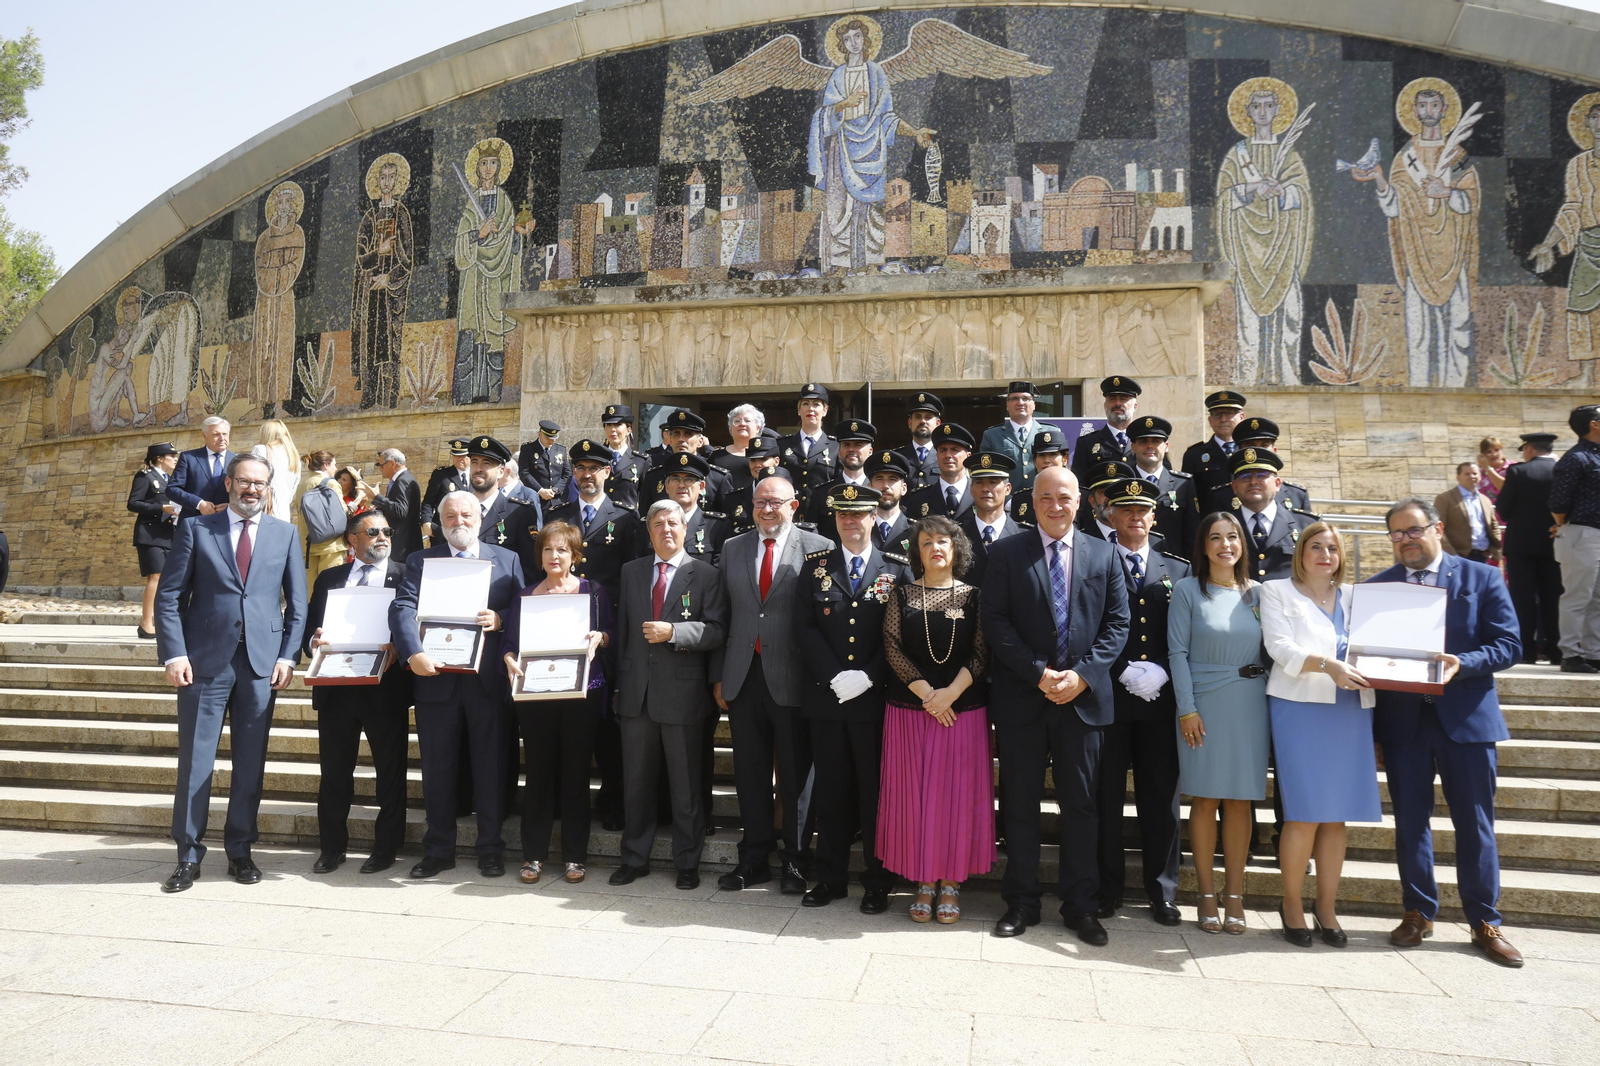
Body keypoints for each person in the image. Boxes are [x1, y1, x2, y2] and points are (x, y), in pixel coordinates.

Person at [1370, 497, 1524, 966]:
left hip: (1467, 722)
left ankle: (1484, 920)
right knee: (1410, 823)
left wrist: (1464, 663)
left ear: (1436, 528)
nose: (1406, 541)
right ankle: (1418, 911)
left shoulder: (1481, 577)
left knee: (1475, 826)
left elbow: (1510, 643)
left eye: (1413, 530)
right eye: (1396, 534)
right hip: (1404, 725)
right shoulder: (1378, 588)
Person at [983, 466, 1129, 944]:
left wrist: (1082, 675)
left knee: (1081, 806)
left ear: (1081, 500)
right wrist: (1038, 672)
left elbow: (1117, 625)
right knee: (1021, 803)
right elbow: (996, 621)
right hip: (1024, 698)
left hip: (1082, 702)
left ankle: (1081, 905)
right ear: (1032, 502)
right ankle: (1021, 902)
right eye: (1045, 496)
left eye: (1063, 496)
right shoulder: (1006, 553)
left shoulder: (1104, 555)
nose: (1055, 505)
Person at [153, 453, 306, 892]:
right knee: (196, 761)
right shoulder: (196, 529)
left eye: (260, 483)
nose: (252, 490)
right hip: (204, 663)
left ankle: (240, 850)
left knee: (250, 763)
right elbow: (169, 598)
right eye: (244, 481)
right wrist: (174, 654)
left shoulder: (285, 535)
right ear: (228, 483)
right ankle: (187, 855)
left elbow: (297, 605)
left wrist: (288, 656)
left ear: (268, 488)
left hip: (261, 665)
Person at [390, 490, 525, 879]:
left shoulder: (508, 558)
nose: (459, 522)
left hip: (488, 682)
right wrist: (412, 652)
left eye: (466, 515)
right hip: (436, 679)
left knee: (492, 768)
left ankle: (490, 848)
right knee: (438, 769)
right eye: (451, 517)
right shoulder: (421, 560)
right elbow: (402, 607)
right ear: (441, 522)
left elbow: (522, 607)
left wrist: (500, 620)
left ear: (479, 516)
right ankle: (438, 850)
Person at [1260, 522, 1381, 947]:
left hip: (1350, 711)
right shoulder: (1276, 590)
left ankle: (1327, 908)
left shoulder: (1356, 597)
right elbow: (1279, 647)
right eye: (1316, 547)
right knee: (1303, 813)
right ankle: (1291, 904)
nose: (1325, 554)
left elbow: (1380, 648)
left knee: (1335, 816)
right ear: (1301, 552)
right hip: (1299, 707)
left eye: (1332, 548)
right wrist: (1326, 664)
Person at [714, 475, 833, 892]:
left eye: (776, 503)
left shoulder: (820, 549)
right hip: (743, 678)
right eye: (760, 502)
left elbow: (826, 621)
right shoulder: (732, 548)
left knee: (797, 777)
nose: (767, 510)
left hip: (797, 681)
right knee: (749, 773)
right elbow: (721, 616)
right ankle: (753, 858)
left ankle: (796, 860)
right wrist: (719, 676)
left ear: (794, 506)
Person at [795, 484, 908, 911]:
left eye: (859, 515)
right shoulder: (816, 566)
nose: (850, 522)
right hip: (828, 700)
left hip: (875, 701)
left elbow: (902, 634)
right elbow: (803, 626)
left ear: (873, 519)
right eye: (843, 515)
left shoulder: (895, 569)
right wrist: (833, 675)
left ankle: (878, 880)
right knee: (832, 791)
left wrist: (867, 675)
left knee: (873, 792)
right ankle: (831, 878)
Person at [878, 515, 994, 923]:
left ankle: (950, 882)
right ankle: (924, 881)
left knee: (956, 799)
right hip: (912, 710)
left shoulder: (975, 596)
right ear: (917, 551)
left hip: (963, 711)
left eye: (943, 541)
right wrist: (928, 694)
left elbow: (982, 653)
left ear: (956, 548)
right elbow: (892, 648)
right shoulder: (901, 594)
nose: (935, 549)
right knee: (917, 797)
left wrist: (950, 694)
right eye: (926, 542)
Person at [610, 500, 729, 889]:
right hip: (636, 694)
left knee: (686, 786)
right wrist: (618, 687)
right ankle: (634, 858)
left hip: (682, 695)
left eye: (673, 523)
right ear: (648, 532)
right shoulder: (631, 572)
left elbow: (715, 631)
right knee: (637, 782)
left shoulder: (707, 574)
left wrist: (675, 632)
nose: (666, 529)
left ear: (685, 528)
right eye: (658, 523)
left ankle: (687, 862)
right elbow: (625, 634)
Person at [1168, 511, 1269, 934]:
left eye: (1233, 537)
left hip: (1250, 704)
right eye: (1216, 537)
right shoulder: (1189, 591)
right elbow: (1176, 653)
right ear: (1204, 546)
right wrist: (1186, 709)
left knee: (1241, 801)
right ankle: (1206, 894)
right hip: (1203, 706)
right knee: (1206, 799)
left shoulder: (1260, 594)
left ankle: (1235, 895)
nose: (1225, 544)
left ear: (1242, 544)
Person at [1097, 477, 1190, 926]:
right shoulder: (1095, 562)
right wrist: (1120, 671)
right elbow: (1087, 627)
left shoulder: (1180, 569)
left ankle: (1163, 891)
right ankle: (1106, 887)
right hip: (1109, 699)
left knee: (1160, 799)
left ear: (1154, 516)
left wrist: (1163, 671)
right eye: (1126, 510)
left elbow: (1187, 636)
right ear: (1111, 516)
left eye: (1143, 510)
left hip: (1161, 700)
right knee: (1106, 798)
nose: (1136, 517)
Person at [502, 521, 615, 885]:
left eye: (563, 550)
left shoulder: (593, 593)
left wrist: (602, 636)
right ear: (540, 556)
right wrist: (508, 659)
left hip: (581, 695)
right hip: (536, 697)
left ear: (575, 556)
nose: (555, 556)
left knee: (576, 774)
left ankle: (574, 857)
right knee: (538, 774)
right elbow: (509, 644)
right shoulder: (524, 597)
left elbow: (612, 634)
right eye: (548, 549)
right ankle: (533, 855)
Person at [302, 510, 412, 875]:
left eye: (386, 532)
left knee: (390, 774)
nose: (382, 537)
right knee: (334, 774)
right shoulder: (329, 579)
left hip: (385, 689)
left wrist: (399, 645)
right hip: (337, 689)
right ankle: (332, 848)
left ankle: (386, 848)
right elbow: (309, 633)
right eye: (372, 532)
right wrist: (313, 641)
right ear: (353, 539)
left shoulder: (406, 576)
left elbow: (416, 627)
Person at [543, 439, 645, 828]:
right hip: (560, 633)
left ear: (608, 473)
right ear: (574, 473)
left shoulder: (625, 519)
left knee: (607, 727)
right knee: (564, 717)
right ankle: (562, 802)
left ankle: (612, 803)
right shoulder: (558, 515)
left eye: (595, 468)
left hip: (605, 633)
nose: (587, 475)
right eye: (580, 468)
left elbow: (631, 579)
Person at [1496, 432, 1562, 664]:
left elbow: (1502, 509)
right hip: (1556, 545)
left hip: (1521, 547)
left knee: (1523, 600)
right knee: (1553, 599)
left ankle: (1526, 651)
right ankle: (1556, 650)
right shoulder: (1562, 470)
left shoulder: (1518, 472)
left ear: (1530, 449)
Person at [1551, 405, 1600, 673]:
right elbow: (1558, 502)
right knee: (1577, 597)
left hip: (1593, 534)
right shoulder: (1576, 458)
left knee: (1596, 599)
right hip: (1582, 533)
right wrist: (1563, 525)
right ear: (1594, 424)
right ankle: (1571, 654)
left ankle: (1594, 653)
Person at [1229, 446, 1319, 582]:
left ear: (1278, 484)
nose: (1253, 481)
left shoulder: (1307, 525)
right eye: (1245, 476)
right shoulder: (1221, 525)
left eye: (1262, 475)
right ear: (1234, 487)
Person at [127, 441, 181, 639]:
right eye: (172, 456)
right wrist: (160, 508)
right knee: (155, 577)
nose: (175, 459)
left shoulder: (170, 479)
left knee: (166, 579)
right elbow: (133, 503)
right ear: (160, 458)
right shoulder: (145, 476)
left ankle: (160, 622)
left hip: (168, 533)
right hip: (149, 534)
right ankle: (146, 623)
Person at [1209, 416, 1312, 515]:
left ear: (1275, 451)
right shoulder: (1221, 496)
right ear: (1239, 452)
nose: (1258, 450)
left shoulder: (1297, 495)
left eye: (1264, 445)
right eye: (1250, 446)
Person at [1127, 415, 1196, 558]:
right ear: (1133, 447)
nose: (1150, 446)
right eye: (1143, 441)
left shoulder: (1183, 484)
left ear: (1166, 446)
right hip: (1130, 562)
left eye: (1156, 441)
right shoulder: (1124, 483)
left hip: (1173, 565)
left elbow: (1192, 534)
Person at [958, 451, 1024, 585]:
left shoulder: (1025, 535)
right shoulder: (957, 535)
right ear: (971, 489)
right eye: (979, 482)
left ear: (1007, 489)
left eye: (993, 482)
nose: (986, 489)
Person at [775, 383, 840, 508]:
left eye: (816, 404)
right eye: (805, 404)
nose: (811, 409)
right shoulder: (782, 445)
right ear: (799, 411)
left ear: (825, 411)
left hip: (823, 514)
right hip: (791, 513)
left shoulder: (835, 446)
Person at [803, 419, 875, 529]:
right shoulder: (821, 493)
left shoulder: (877, 490)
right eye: (846, 445)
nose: (851, 449)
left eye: (858, 445)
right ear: (839, 452)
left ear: (870, 451)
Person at [1180, 391, 1247, 510]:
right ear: (1210, 420)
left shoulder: (1249, 452)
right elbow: (1189, 499)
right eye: (1217, 414)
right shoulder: (1194, 455)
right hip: (1211, 524)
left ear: (1241, 417)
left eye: (1230, 413)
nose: (1223, 419)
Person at [1068, 376, 1140, 487]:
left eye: (1123, 398)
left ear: (1135, 406)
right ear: (1105, 405)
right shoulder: (1087, 443)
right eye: (1112, 399)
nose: (1117, 403)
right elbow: (1080, 485)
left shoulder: (1147, 441)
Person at [296, 452, 351, 588]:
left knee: (309, 590)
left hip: (307, 544)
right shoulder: (331, 483)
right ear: (326, 465)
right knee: (329, 589)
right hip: (330, 545)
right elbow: (342, 512)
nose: (336, 468)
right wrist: (357, 500)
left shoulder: (303, 484)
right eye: (334, 464)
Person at [981, 380, 1047, 489]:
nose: (1020, 403)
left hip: (1043, 500)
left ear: (1034, 405)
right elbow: (986, 473)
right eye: (1015, 398)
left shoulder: (1049, 432)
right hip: (1007, 502)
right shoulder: (991, 436)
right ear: (1007, 405)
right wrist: (1007, 501)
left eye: (1026, 398)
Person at [903, 423, 976, 520]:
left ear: (968, 456)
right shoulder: (918, 498)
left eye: (955, 449)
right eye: (943, 450)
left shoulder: (980, 493)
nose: (948, 455)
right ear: (937, 456)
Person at [167, 416, 235, 519]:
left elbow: (245, 491)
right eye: (216, 434)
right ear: (204, 436)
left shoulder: (238, 461)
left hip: (226, 522)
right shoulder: (189, 458)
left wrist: (232, 507)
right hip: (194, 521)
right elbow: (172, 489)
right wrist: (199, 504)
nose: (222, 438)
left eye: (225, 434)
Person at [1435, 462, 1502, 565]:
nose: (1472, 476)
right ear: (1458, 477)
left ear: (1480, 476)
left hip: (1483, 557)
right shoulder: (1444, 499)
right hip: (1460, 557)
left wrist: (1495, 548)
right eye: (1467, 474)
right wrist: (1452, 556)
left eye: (1475, 473)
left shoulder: (1485, 500)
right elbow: (1438, 529)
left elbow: (1494, 526)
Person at [367, 448, 422, 561]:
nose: (380, 469)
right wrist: (380, 507)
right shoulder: (400, 480)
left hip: (403, 545)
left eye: (381, 465)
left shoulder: (402, 480)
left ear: (392, 463)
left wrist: (377, 497)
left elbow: (400, 511)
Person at [1008, 429, 1068, 527]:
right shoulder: (1020, 499)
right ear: (1035, 461)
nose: (1047, 460)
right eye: (1041, 455)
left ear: (1065, 459)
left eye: (1053, 454)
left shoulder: (1082, 497)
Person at [419, 438, 471, 546]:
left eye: (462, 455)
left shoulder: (477, 476)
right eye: (455, 455)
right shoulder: (442, 475)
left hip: (469, 531)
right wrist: (426, 522)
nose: (458, 459)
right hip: (443, 532)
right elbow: (428, 501)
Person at [249, 418, 302, 523]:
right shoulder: (294, 457)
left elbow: (250, 478)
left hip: (264, 511)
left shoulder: (261, 449)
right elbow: (291, 493)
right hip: (284, 513)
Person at [892, 391, 942, 492]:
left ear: (938, 423)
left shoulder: (944, 455)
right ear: (910, 423)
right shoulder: (897, 456)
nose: (922, 421)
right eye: (918, 417)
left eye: (928, 417)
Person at [866, 451, 914, 553]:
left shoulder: (916, 531)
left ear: (904, 488)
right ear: (869, 488)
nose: (885, 486)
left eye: (892, 479)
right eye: (879, 479)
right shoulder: (860, 528)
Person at [602, 404, 647, 511]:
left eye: (617, 425)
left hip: (629, 522)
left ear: (628, 429)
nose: (612, 429)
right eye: (608, 425)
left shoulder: (641, 461)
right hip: (600, 522)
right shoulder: (598, 458)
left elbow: (646, 498)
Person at [713, 404, 766, 490]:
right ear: (731, 428)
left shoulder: (766, 455)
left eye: (747, 421)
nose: (742, 424)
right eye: (737, 421)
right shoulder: (716, 456)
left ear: (758, 428)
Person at [517, 419, 570, 505]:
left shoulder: (561, 450)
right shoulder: (528, 449)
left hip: (556, 500)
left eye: (553, 438)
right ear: (539, 434)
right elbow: (524, 473)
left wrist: (555, 489)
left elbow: (567, 474)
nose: (551, 441)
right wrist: (540, 490)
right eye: (548, 437)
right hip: (535, 498)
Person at [1478, 436, 1510, 502]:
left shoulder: (1513, 468)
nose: (1494, 454)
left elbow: (1506, 488)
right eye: (1489, 452)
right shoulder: (1479, 472)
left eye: (1497, 450)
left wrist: (1488, 469)